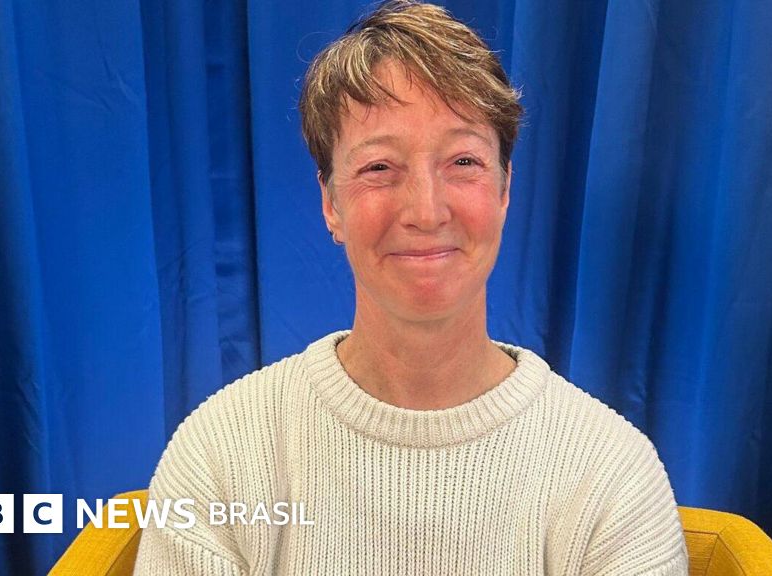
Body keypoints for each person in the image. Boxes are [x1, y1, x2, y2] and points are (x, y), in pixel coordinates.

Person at [133, 1, 688, 574]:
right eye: (378, 168)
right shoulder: (220, 456)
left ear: (504, 190)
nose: (425, 211)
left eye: (464, 161)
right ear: (331, 203)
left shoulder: (612, 475)